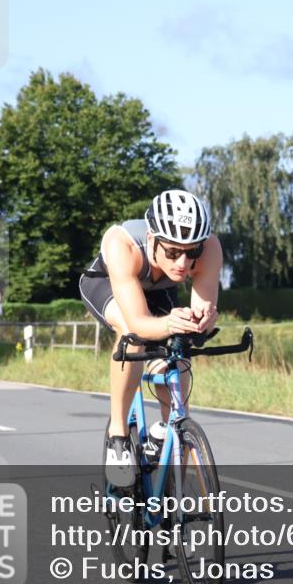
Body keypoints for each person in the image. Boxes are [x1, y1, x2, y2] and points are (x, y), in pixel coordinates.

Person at [79, 190, 222, 487]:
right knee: (131, 335)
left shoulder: (209, 248)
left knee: (177, 357)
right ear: (152, 238)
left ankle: (172, 481)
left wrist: (203, 320)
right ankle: (118, 436)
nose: (183, 263)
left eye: (191, 252)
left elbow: (200, 314)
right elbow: (140, 324)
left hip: (159, 291)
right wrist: (169, 323)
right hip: (108, 284)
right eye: (172, 252)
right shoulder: (122, 245)